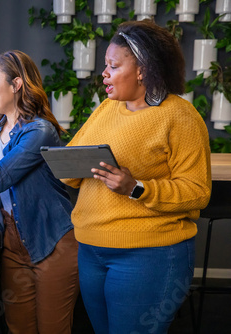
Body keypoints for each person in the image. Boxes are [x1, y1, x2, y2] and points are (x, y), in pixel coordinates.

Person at [61, 20, 212, 333]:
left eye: (113, 66)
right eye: (105, 65)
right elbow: (70, 169)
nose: (103, 74)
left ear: (143, 69)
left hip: (148, 255)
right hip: (91, 250)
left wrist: (136, 188)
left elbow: (198, 191)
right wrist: (66, 167)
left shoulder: (179, 115)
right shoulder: (106, 108)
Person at [0, 50, 79, 333]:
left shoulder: (39, 131)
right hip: (13, 244)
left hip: (53, 242)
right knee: (18, 328)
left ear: (17, 84)